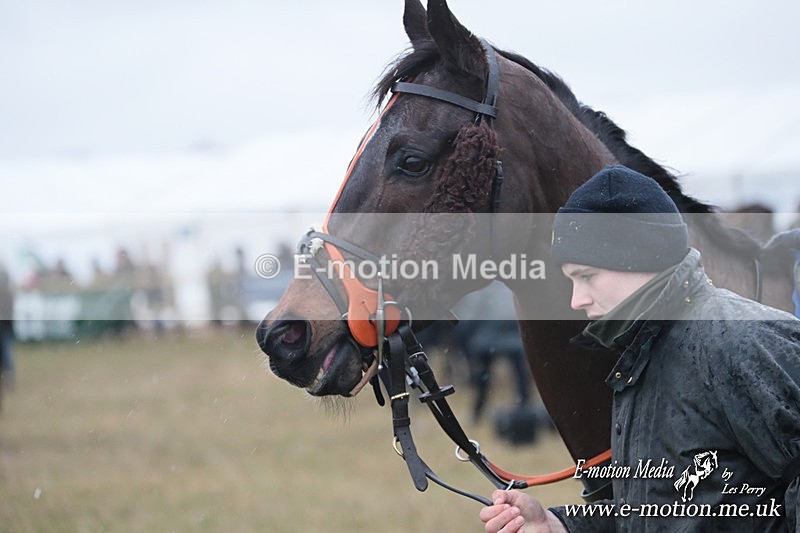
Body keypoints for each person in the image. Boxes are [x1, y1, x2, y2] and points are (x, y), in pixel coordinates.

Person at [479, 165, 800, 532]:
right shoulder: (640, 356)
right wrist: (558, 525)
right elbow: (656, 509)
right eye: (570, 281)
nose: (576, 300)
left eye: (586, 276)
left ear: (638, 256)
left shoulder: (743, 339)